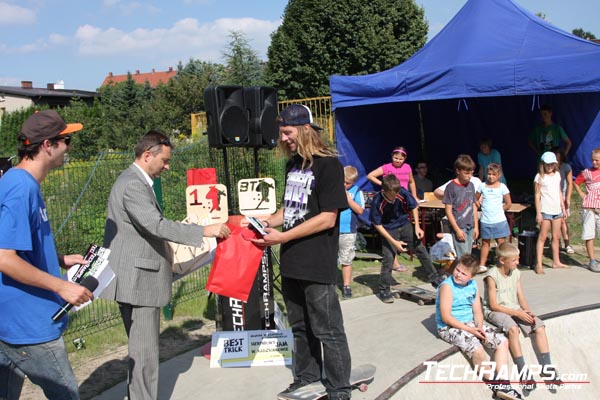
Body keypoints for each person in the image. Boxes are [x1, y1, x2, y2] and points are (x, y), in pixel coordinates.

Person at [101, 130, 230, 400]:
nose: (168, 166)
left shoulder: (133, 180)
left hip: (136, 277)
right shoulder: (134, 184)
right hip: (139, 281)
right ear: (148, 155)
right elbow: (155, 225)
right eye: (165, 160)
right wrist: (204, 231)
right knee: (145, 354)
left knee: (141, 352)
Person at [255, 104, 352, 399]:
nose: (283, 139)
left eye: (287, 133)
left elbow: (327, 217)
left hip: (317, 262)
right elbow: (293, 208)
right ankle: (307, 378)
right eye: (282, 134)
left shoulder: (328, 165)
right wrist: (268, 220)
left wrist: (283, 235)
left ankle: (339, 389)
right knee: (300, 327)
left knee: (328, 330)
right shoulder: (293, 166)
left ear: (305, 129)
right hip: (292, 261)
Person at [0, 110, 93, 400]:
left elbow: (18, 248)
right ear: (47, 145)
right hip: (30, 324)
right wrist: (62, 285)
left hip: (14, 320)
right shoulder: (20, 187)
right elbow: (4, 257)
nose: (68, 148)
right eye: (66, 140)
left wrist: (60, 260)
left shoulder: (22, 183)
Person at [436, 254, 522, 400]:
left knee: (502, 341)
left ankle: (504, 384)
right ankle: (499, 386)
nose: (458, 274)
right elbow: (446, 317)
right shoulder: (447, 287)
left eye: (464, 273)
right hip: (449, 327)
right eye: (457, 270)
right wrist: (470, 330)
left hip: (470, 324)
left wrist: (480, 327)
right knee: (477, 349)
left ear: (471, 276)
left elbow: (477, 310)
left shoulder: (473, 285)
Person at [483, 243, 563, 390]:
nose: (517, 263)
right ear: (502, 260)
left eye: (517, 259)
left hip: (514, 308)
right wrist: (517, 313)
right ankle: (523, 371)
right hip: (495, 311)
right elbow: (493, 305)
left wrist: (528, 312)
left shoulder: (516, 273)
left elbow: (520, 296)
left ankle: (547, 368)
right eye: (514, 260)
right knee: (513, 329)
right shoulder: (492, 276)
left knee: (539, 326)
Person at [369, 174, 444, 303]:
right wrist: (394, 242)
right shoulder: (377, 201)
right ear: (384, 191)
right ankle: (384, 289)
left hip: (405, 224)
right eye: (392, 194)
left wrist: (417, 227)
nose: (395, 196)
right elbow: (377, 225)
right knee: (388, 258)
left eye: (397, 193)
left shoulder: (401, 192)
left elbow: (413, 206)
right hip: (388, 229)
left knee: (421, 250)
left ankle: (435, 280)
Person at [533, 151, 569, 274]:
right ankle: (538, 264)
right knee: (542, 237)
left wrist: (563, 208)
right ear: (542, 164)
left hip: (557, 210)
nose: (550, 167)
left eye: (552, 164)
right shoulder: (539, 177)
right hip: (545, 211)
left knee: (556, 237)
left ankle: (556, 261)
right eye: (547, 164)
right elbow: (537, 196)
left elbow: (559, 191)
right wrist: (538, 213)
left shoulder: (557, 175)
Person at [475, 163, 511, 273]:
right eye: (489, 174)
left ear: (498, 175)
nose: (491, 176)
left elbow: (508, 203)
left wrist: (500, 210)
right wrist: (479, 206)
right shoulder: (482, 186)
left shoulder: (502, 187)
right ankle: (482, 265)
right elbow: (475, 199)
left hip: (499, 221)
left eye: (493, 174)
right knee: (485, 243)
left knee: (501, 243)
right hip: (486, 221)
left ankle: (503, 264)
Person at [443, 154, 479, 259]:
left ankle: (455, 273)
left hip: (470, 226)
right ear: (458, 171)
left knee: (466, 255)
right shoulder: (451, 187)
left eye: (471, 173)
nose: (469, 176)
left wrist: (476, 226)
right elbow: (448, 211)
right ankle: (461, 275)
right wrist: (457, 229)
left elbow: (474, 206)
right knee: (463, 257)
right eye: (466, 173)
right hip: (459, 226)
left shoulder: (471, 185)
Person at [339, 165, 365, 299]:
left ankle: (346, 286)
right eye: (342, 181)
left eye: (347, 183)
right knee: (330, 258)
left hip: (348, 230)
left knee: (346, 259)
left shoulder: (356, 191)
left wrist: (348, 199)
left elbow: (360, 210)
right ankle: (330, 284)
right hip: (332, 229)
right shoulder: (335, 188)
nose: (344, 184)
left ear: (353, 182)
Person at [573, 147, 600, 272]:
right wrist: (581, 193)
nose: (594, 163)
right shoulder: (586, 172)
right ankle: (592, 261)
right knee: (590, 235)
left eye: (597, 161)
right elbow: (576, 182)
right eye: (593, 160)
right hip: (589, 207)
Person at [552, 147, 574, 254]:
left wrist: (568, 198)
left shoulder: (566, 167)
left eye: (557, 154)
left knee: (563, 221)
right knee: (555, 221)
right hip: (551, 197)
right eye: (554, 154)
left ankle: (567, 244)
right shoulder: (549, 167)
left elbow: (570, 183)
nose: (556, 156)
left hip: (563, 196)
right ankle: (557, 243)